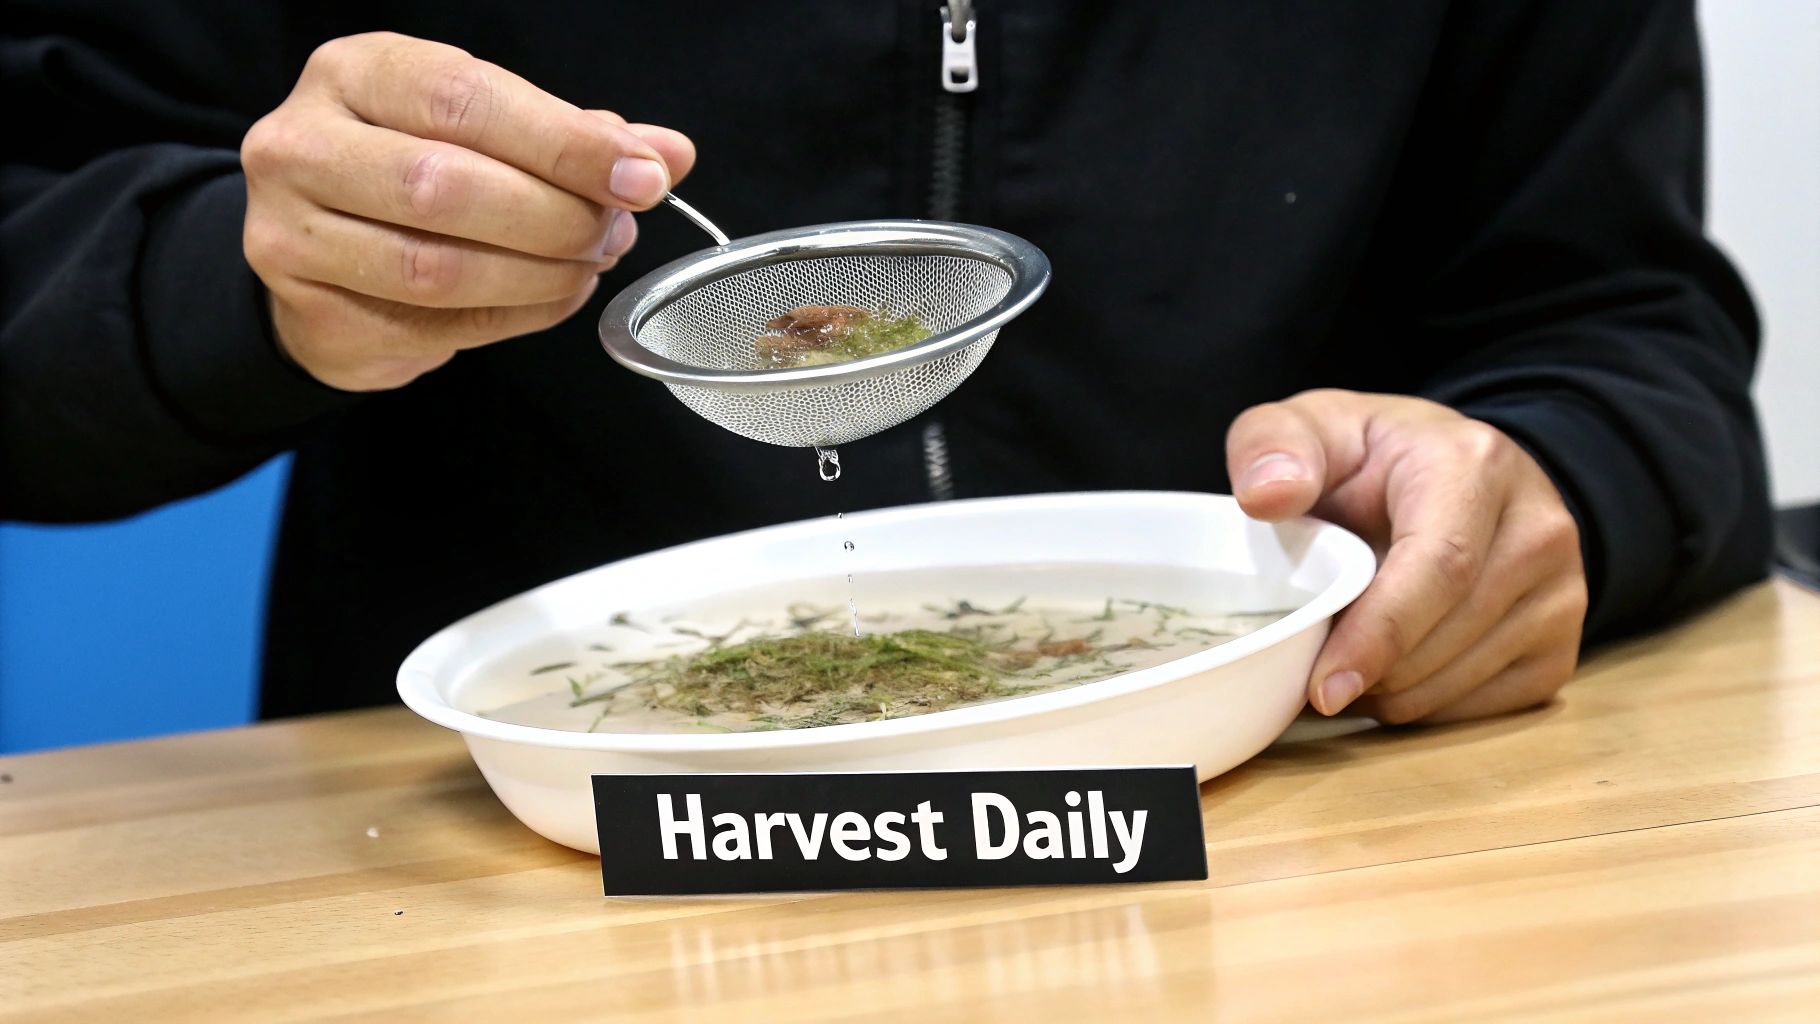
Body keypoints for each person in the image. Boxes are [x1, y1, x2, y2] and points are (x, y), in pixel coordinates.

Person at [1, 1, 1770, 725]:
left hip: (1301, 817)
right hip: (530, 867)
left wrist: (1556, 492)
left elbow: (1623, 330)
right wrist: (246, 274)